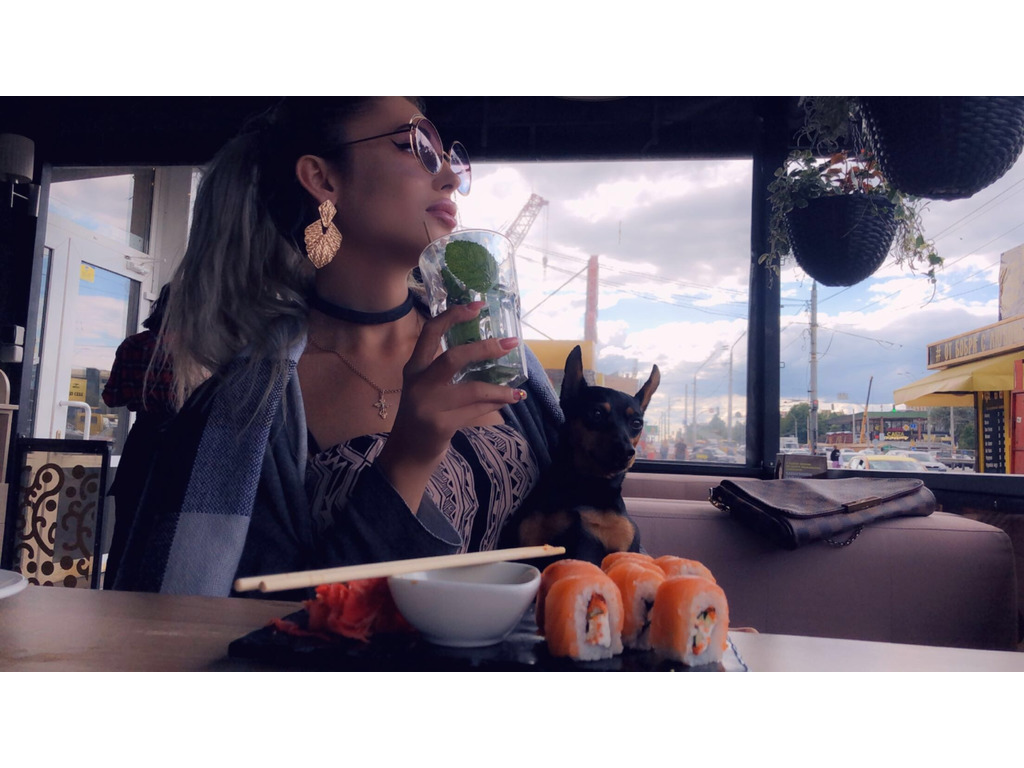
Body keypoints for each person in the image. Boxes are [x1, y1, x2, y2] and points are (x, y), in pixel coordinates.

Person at [113, 98, 562, 599]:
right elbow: (259, 625)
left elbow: (579, 539)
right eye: (413, 146)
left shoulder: (495, 353)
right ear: (323, 179)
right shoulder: (241, 412)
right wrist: (407, 460)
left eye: (447, 157)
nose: (450, 178)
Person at [100, 284, 175, 589]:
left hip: (140, 441)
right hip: (176, 445)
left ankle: (114, 596)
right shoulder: (194, 350)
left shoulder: (132, 344)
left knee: (126, 530)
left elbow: (111, 397)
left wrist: (140, 391)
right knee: (164, 533)